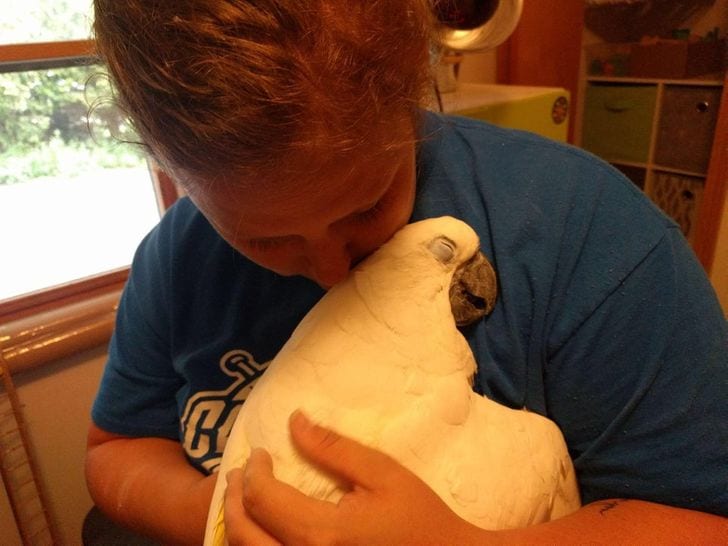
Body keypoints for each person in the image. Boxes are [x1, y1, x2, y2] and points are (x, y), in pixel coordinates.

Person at [85, 0, 728, 544]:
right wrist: (231, 514)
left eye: (367, 208)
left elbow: (702, 523)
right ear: (173, 174)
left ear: (415, 93)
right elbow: (115, 450)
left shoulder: (594, 236)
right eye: (265, 239)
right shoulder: (174, 259)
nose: (332, 270)